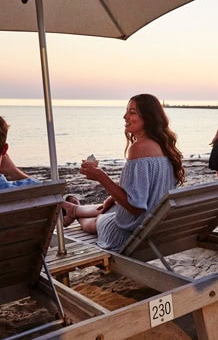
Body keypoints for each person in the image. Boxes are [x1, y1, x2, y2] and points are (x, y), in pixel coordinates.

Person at [62, 94, 185, 252]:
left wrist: (101, 177)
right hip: (155, 224)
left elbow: (135, 207)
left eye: (132, 112)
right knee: (108, 207)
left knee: (99, 220)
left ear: (148, 117)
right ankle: (75, 209)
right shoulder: (164, 146)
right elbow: (145, 190)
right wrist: (113, 197)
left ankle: (76, 214)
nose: (125, 116)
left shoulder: (139, 149)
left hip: (130, 234)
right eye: (126, 111)